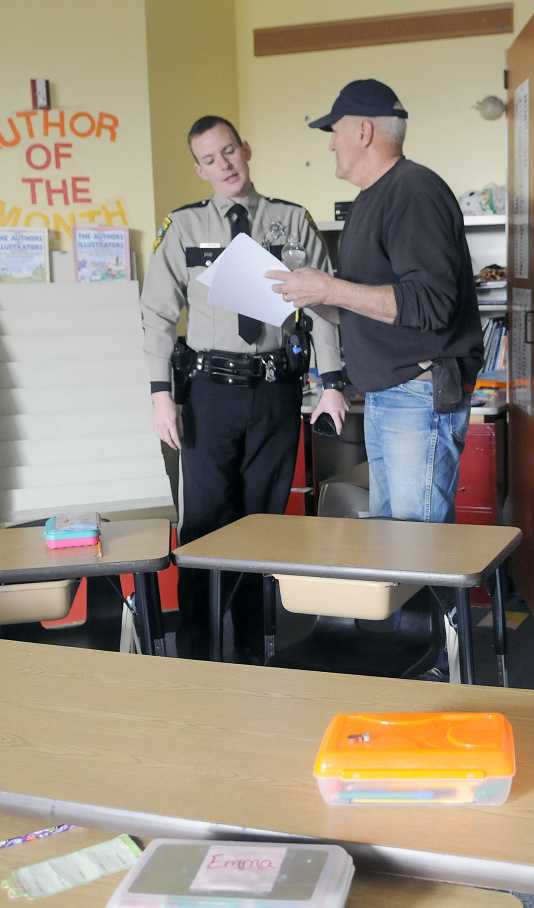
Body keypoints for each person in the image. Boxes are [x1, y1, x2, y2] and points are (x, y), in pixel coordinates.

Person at [139, 115, 349, 662]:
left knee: (263, 527)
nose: (224, 165)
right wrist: (161, 393)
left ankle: (257, 653)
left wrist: (331, 382)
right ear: (199, 168)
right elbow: (157, 314)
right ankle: (197, 655)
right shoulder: (183, 228)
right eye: (210, 159)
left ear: (245, 149)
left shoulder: (292, 221)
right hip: (208, 394)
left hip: (275, 392)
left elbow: (323, 306)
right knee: (205, 526)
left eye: (229, 151)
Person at [265, 79, 484, 524]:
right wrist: (313, 298)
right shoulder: (371, 199)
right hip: (391, 395)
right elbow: (372, 305)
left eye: (335, 131)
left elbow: (432, 303)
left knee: (415, 548)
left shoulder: (414, 191)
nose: (331, 145)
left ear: (363, 132)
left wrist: (329, 288)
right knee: (393, 547)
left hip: (417, 395)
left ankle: (426, 599)